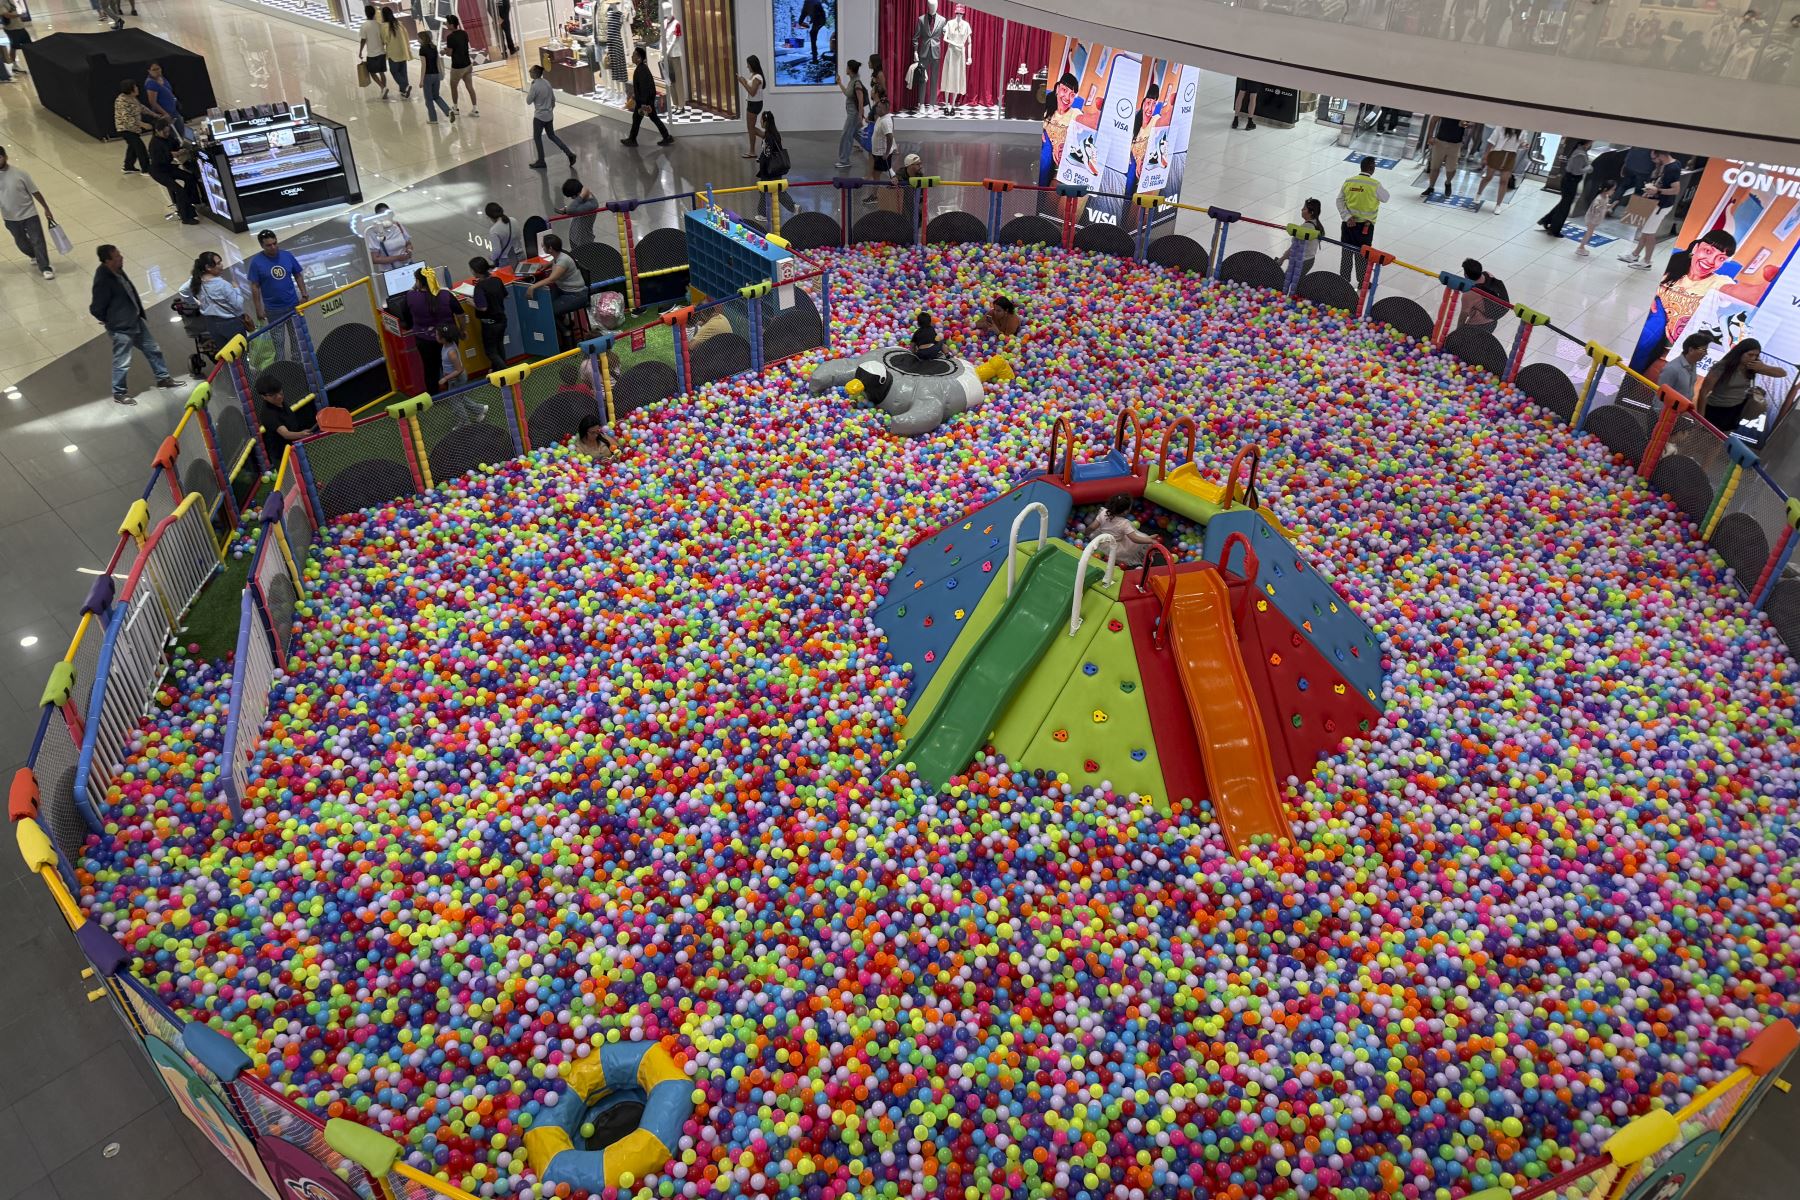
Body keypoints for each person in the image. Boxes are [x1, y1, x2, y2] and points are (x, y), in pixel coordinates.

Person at [90, 244, 176, 404]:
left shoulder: (118, 270)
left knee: (153, 349)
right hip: (121, 327)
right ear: (107, 260)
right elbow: (96, 307)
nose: (121, 257)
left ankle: (163, 378)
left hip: (134, 319)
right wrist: (111, 320)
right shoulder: (103, 279)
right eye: (116, 256)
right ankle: (119, 392)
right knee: (122, 361)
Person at [1698, 338, 1788, 435]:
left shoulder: (1752, 367)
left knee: (1720, 441)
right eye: (1750, 355)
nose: (1753, 358)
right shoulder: (1723, 367)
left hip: (1735, 410)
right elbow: (1704, 391)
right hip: (1716, 408)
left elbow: (1782, 373)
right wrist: (1700, 417)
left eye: (1756, 356)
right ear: (1740, 353)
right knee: (1703, 438)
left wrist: (1762, 367)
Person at [1619, 150, 1683, 270]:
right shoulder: (1671, 164)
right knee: (1645, 230)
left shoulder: (1672, 168)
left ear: (1661, 155)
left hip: (1660, 205)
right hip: (1657, 202)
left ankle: (1647, 261)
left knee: (1649, 233)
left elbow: (1676, 190)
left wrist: (1657, 191)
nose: (1653, 161)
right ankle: (1635, 255)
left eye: (1654, 159)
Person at [403, 269, 462, 395]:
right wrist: (462, 330)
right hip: (448, 338)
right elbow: (461, 314)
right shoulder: (446, 295)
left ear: (419, 282)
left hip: (424, 341)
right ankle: (454, 391)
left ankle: (434, 396)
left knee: (430, 369)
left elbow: (406, 317)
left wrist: (416, 286)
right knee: (450, 366)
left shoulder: (411, 297)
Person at [0, 145, 55, 280]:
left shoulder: (20, 173)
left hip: (29, 214)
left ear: (5, 157)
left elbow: (35, 191)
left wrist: (46, 208)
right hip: (10, 217)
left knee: (38, 240)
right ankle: (33, 254)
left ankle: (45, 267)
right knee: (21, 242)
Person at [1336, 155, 1388, 283]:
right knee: (1363, 255)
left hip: (1348, 225)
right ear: (1372, 168)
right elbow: (1386, 198)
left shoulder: (1349, 181)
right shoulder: (1375, 184)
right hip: (1365, 228)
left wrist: (1347, 216)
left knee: (1347, 254)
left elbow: (1339, 200)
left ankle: (1344, 281)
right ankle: (1362, 282)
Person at [187, 251, 251, 353]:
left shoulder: (197, 282)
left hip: (211, 324)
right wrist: (237, 290)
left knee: (225, 355)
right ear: (208, 267)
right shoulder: (222, 285)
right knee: (240, 355)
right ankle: (244, 369)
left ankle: (231, 369)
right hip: (231, 325)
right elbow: (238, 305)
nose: (222, 266)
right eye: (218, 263)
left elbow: (184, 291)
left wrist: (198, 303)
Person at [255, 375, 318, 469]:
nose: (279, 396)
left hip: (295, 446)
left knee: (307, 471)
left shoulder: (279, 401)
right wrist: (302, 434)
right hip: (282, 456)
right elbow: (286, 434)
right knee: (293, 481)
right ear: (263, 397)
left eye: (279, 391)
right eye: (273, 395)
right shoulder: (268, 415)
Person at [528, 232, 590, 326]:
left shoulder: (563, 261)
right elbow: (555, 261)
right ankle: (563, 320)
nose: (542, 247)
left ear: (550, 249)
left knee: (548, 311)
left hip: (575, 295)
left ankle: (565, 331)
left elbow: (551, 279)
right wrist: (547, 265)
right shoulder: (560, 253)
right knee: (543, 300)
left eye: (544, 246)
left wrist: (532, 287)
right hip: (563, 289)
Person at [1081, 494, 1158, 567]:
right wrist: (1149, 540)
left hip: (1102, 542)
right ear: (1125, 511)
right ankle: (1145, 552)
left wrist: (1085, 533)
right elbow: (1134, 538)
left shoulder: (1104, 513)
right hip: (1115, 546)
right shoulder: (1124, 523)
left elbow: (1092, 527)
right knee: (1141, 537)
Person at [526, 64, 577, 169]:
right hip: (549, 115)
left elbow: (528, 101)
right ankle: (569, 154)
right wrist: (549, 110)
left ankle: (541, 160)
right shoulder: (547, 83)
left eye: (530, 71)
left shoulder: (535, 86)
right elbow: (553, 100)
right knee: (552, 135)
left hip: (539, 117)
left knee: (537, 138)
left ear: (535, 73)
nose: (529, 72)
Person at [148, 122, 200, 224]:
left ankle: (190, 201)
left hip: (169, 167)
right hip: (159, 171)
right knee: (179, 191)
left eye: (168, 131)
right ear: (158, 131)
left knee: (190, 178)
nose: (167, 134)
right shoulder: (154, 144)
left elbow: (176, 146)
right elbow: (159, 159)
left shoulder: (169, 138)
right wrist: (171, 155)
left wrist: (181, 149)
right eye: (165, 132)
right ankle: (185, 217)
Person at [622, 47, 675, 146]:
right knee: (641, 118)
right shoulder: (641, 68)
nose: (632, 57)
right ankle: (666, 137)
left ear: (639, 58)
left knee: (642, 118)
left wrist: (644, 104)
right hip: (644, 101)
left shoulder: (641, 70)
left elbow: (645, 88)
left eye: (634, 55)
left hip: (644, 102)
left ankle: (633, 139)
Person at [1538, 139, 1590, 234]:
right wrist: (1588, 168)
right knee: (1564, 207)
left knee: (1564, 204)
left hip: (1569, 181)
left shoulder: (1579, 151)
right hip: (1571, 181)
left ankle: (1547, 220)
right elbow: (1576, 171)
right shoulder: (1580, 154)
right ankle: (1554, 229)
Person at [754, 111, 798, 222]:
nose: (760, 123)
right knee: (777, 190)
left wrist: (762, 160)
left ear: (765, 122)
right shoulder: (775, 134)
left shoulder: (768, 136)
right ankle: (793, 207)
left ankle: (763, 214)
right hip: (776, 168)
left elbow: (767, 154)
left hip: (770, 170)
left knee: (765, 190)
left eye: (761, 121)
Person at [468, 255, 509, 374]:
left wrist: (472, 302)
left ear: (477, 271)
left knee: (490, 351)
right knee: (499, 345)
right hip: (502, 320)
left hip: (489, 325)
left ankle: (506, 373)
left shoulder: (480, 287)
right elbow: (506, 295)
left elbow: (483, 307)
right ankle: (499, 370)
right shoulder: (497, 280)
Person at [1472, 126, 1524, 211]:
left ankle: (1498, 205)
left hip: (1510, 156)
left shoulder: (1522, 130)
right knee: (1488, 177)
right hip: (1497, 153)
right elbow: (1491, 142)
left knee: (1504, 181)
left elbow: (1521, 143)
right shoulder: (1501, 127)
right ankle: (1478, 194)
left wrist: (1524, 144)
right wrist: (1485, 156)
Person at [1658, 331, 1716, 402]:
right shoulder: (1672, 369)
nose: (1706, 353)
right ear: (1691, 350)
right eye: (1703, 350)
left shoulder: (1693, 365)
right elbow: (1660, 398)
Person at [1420, 115, 1469, 199]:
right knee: (1434, 166)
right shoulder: (1446, 108)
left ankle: (1448, 183)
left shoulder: (1465, 110)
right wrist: (1430, 136)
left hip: (1455, 143)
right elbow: (1433, 119)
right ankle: (1431, 187)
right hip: (1440, 141)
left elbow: (1472, 124)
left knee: (1451, 169)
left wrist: (1465, 124)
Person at [1457, 258, 1509, 330]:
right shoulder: (1488, 274)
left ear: (1466, 275)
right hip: (1493, 322)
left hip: (1477, 326)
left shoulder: (1469, 293)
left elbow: (1463, 316)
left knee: (1464, 340)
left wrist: (1458, 332)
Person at [115, 80, 153, 176]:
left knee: (133, 147)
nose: (137, 88)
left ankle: (128, 166)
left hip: (134, 129)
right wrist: (142, 124)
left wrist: (154, 114)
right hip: (126, 129)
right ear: (130, 89)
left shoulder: (132, 98)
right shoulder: (121, 101)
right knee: (140, 148)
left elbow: (141, 107)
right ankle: (146, 169)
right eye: (135, 87)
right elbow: (127, 118)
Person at [418, 29, 455, 123]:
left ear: (422, 39)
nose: (418, 40)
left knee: (429, 99)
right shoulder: (433, 47)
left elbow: (424, 65)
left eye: (419, 38)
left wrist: (421, 80)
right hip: (436, 75)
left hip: (428, 76)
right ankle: (448, 110)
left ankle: (433, 119)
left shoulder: (422, 49)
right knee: (436, 96)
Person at [864, 91, 895, 205]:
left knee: (881, 174)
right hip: (878, 153)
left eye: (879, 107)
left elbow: (890, 137)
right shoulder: (881, 118)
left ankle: (875, 196)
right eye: (877, 106)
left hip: (882, 154)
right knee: (885, 172)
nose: (877, 108)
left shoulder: (886, 121)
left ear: (885, 109)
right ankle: (878, 194)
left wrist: (886, 153)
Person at [1281, 198, 1324, 278]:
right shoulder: (1316, 224)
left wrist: (1282, 259)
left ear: (1311, 212)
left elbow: (1295, 247)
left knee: (1287, 280)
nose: (1301, 210)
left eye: (1304, 209)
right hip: (1309, 259)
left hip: (1302, 261)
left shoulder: (1306, 227)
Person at [835, 60, 867, 168]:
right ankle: (874, 150)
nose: (846, 69)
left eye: (847, 67)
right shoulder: (852, 81)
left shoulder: (856, 82)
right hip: (852, 113)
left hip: (853, 114)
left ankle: (844, 161)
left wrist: (860, 115)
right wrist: (839, 83)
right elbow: (848, 94)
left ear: (850, 69)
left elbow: (861, 99)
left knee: (846, 135)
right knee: (856, 134)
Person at [445, 15, 477, 115]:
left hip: (457, 67)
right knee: (470, 87)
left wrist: (445, 51)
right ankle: (475, 109)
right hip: (467, 64)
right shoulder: (464, 33)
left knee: (453, 87)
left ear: (451, 25)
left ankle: (455, 108)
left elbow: (450, 53)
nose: (445, 24)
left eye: (447, 23)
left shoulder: (450, 37)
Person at [364, 202, 412, 271]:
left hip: (408, 265)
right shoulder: (373, 232)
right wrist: (398, 258)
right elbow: (375, 259)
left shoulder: (397, 225)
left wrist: (409, 250)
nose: (386, 218)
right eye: (383, 216)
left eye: (388, 215)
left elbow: (408, 243)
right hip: (390, 270)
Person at [358, 4, 391, 101]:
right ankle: (383, 90)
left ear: (366, 14)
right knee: (382, 73)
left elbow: (363, 40)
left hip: (372, 54)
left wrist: (360, 51)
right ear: (374, 13)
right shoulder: (379, 25)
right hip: (381, 52)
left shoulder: (364, 26)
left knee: (372, 73)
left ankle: (383, 88)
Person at [380, 6, 414, 99]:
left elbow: (384, 40)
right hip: (403, 51)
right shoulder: (399, 23)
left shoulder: (384, 26)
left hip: (393, 52)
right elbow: (407, 36)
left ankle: (405, 86)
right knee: (403, 71)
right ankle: (404, 91)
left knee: (394, 71)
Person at [1575, 181, 1615, 258]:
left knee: (1589, 233)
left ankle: (1581, 247)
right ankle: (1580, 247)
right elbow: (1595, 207)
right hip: (1592, 218)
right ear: (1606, 189)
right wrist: (1602, 207)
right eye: (1613, 189)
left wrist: (1608, 206)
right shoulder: (1599, 198)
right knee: (1589, 233)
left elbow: (1603, 206)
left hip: (1596, 219)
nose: (1614, 191)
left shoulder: (1606, 197)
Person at [737, 56, 765, 158]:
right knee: (751, 128)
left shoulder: (757, 77)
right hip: (753, 103)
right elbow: (751, 88)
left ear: (752, 64)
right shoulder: (754, 75)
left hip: (754, 104)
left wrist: (743, 82)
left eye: (748, 64)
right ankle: (769, 137)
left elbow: (752, 92)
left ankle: (753, 151)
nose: (747, 66)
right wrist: (744, 80)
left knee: (751, 128)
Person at [559, 177, 600, 246]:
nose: (573, 199)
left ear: (579, 194)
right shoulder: (583, 198)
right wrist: (566, 209)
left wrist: (581, 195)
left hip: (583, 242)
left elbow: (571, 210)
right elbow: (573, 209)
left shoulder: (591, 204)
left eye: (573, 197)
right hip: (575, 238)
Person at [485, 202, 519, 268]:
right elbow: (519, 237)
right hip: (521, 256)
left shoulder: (494, 230)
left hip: (507, 261)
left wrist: (491, 257)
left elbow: (497, 251)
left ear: (490, 217)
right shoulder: (513, 220)